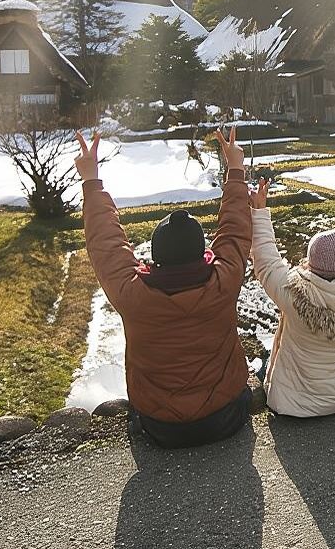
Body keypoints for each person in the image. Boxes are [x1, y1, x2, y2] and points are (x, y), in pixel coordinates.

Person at [74, 127, 254, 448]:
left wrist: (91, 180)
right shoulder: (223, 280)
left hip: (160, 427)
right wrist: (236, 170)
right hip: (226, 417)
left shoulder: (132, 294)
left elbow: (106, 243)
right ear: (203, 254)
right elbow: (235, 230)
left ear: (155, 259)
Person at [248, 165, 335, 417]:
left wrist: (259, 211)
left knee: (263, 364)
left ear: (310, 264)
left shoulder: (295, 294)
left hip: (297, 405)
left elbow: (266, 261)